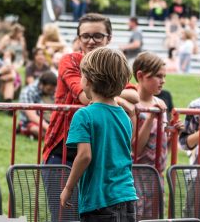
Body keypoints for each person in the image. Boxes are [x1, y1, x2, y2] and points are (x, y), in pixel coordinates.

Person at [60, 47, 137, 222]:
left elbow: (84, 156)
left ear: (90, 80)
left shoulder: (84, 115)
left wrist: (68, 188)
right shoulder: (124, 114)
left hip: (99, 203)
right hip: (127, 200)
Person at [43, 13, 139, 168]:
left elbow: (135, 96)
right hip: (63, 149)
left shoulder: (112, 63)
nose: (91, 41)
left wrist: (106, 93)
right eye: (86, 36)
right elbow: (85, 97)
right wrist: (118, 99)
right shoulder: (70, 60)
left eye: (98, 36)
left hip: (99, 151)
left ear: (109, 38)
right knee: (62, 193)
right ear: (78, 38)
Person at [132, 52, 182, 176]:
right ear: (140, 76)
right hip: (135, 176)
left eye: (164, 76)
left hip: (156, 175)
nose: (163, 81)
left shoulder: (160, 103)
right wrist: (150, 118)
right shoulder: (131, 105)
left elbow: (163, 148)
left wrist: (174, 135)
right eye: (158, 76)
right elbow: (135, 150)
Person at [18, 71, 57, 138]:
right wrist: (50, 129)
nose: (51, 92)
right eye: (49, 89)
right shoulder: (28, 92)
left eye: (53, 90)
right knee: (37, 131)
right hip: (31, 122)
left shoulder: (53, 89)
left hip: (49, 120)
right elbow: (32, 116)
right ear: (41, 84)